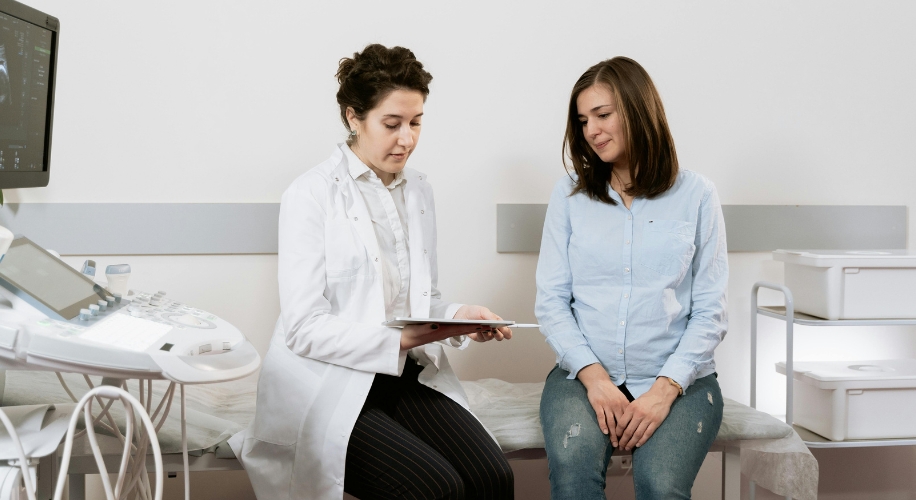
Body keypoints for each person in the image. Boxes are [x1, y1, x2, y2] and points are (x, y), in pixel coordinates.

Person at [231, 44, 515, 500]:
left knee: (493, 479)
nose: (407, 138)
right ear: (353, 118)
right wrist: (399, 339)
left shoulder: (418, 190)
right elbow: (303, 328)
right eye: (392, 124)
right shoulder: (310, 195)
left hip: (404, 374)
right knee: (434, 489)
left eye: (416, 122)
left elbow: (422, 299)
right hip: (330, 385)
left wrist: (462, 315)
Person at [535, 57, 728, 499]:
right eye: (583, 120)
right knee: (574, 478)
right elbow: (551, 301)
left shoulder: (697, 195)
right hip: (583, 376)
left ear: (639, 110)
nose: (591, 130)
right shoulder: (569, 197)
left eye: (603, 115)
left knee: (660, 485)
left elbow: (711, 311)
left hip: (680, 380)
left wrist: (664, 390)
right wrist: (595, 378)